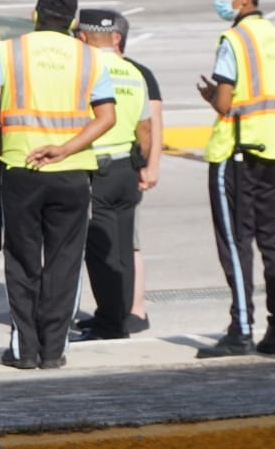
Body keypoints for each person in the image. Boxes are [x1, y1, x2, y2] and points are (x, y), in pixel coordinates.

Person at [0, 0, 115, 370]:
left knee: (23, 260)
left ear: (35, 14)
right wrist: (66, 149)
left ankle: (24, 350)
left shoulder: (12, 50)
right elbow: (107, 117)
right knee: (64, 262)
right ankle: (53, 350)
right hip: (71, 172)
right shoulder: (89, 57)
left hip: (21, 170)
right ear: (74, 22)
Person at [195, 0, 275, 358]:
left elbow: (224, 102)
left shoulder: (234, 39)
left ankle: (241, 327)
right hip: (274, 150)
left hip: (235, 153)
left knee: (236, 244)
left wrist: (210, 98)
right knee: (274, 241)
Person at [71, 9, 151, 342]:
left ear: (85, 37)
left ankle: (109, 323)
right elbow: (145, 128)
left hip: (98, 170)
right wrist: (141, 164)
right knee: (122, 249)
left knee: (101, 251)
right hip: (127, 169)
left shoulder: (87, 70)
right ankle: (117, 317)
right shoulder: (132, 71)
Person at [125, 37, 163, 334]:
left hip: (125, 167)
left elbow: (153, 123)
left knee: (130, 242)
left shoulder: (139, 73)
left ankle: (136, 310)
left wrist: (151, 165)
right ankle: (115, 308)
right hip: (109, 168)